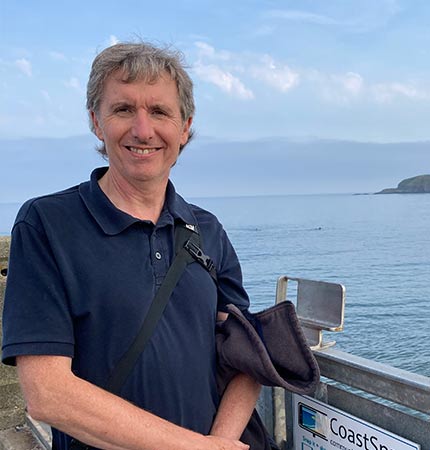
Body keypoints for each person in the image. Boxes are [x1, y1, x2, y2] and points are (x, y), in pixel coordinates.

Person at [2, 42, 261, 450]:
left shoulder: (207, 230)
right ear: (95, 121)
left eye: (159, 112)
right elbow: (47, 393)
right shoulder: (47, 224)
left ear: (185, 126)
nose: (143, 130)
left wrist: (222, 441)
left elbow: (247, 359)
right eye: (124, 110)